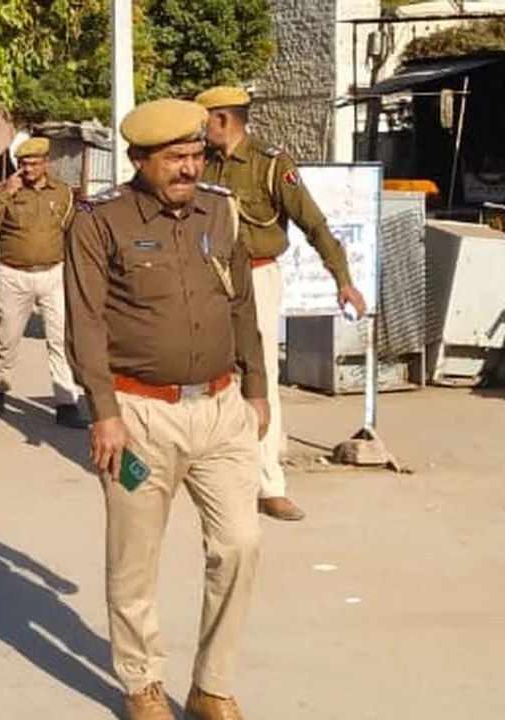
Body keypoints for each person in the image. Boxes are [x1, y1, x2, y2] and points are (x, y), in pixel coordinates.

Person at [65, 98, 268, 720]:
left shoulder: (220, 210)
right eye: (175, 157)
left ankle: (212, 685)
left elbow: (241, 307)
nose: (188, 167)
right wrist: (104, 411)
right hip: (138, 415)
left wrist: (257, 388)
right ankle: (142, 683)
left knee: (240, 543)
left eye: (197, 154)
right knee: (134, 559)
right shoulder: (102, 221)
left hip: (220, 406)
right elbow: (86, 323)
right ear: (139, 160)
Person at [196, 85, 367, 522]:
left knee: (261, 375)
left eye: (206, 119)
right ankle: (221, 468)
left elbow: (314, 223)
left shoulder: (270, 165)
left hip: (255, 275)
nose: (201, 128)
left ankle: (269, 485)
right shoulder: (203, 163)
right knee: (211, 372)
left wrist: (343, 280)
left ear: (223, 120)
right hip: (209, 278)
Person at [0, 137, 86, 428]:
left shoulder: (63, 192)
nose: (28, 169)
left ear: (45, 163)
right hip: (15, 274)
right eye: (23, 164)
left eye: (34, 163)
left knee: (60, 339)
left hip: (53, 273)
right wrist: (5, 195)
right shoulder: (4, 190)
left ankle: (66, 402)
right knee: (7, 336)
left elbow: (72, 230)